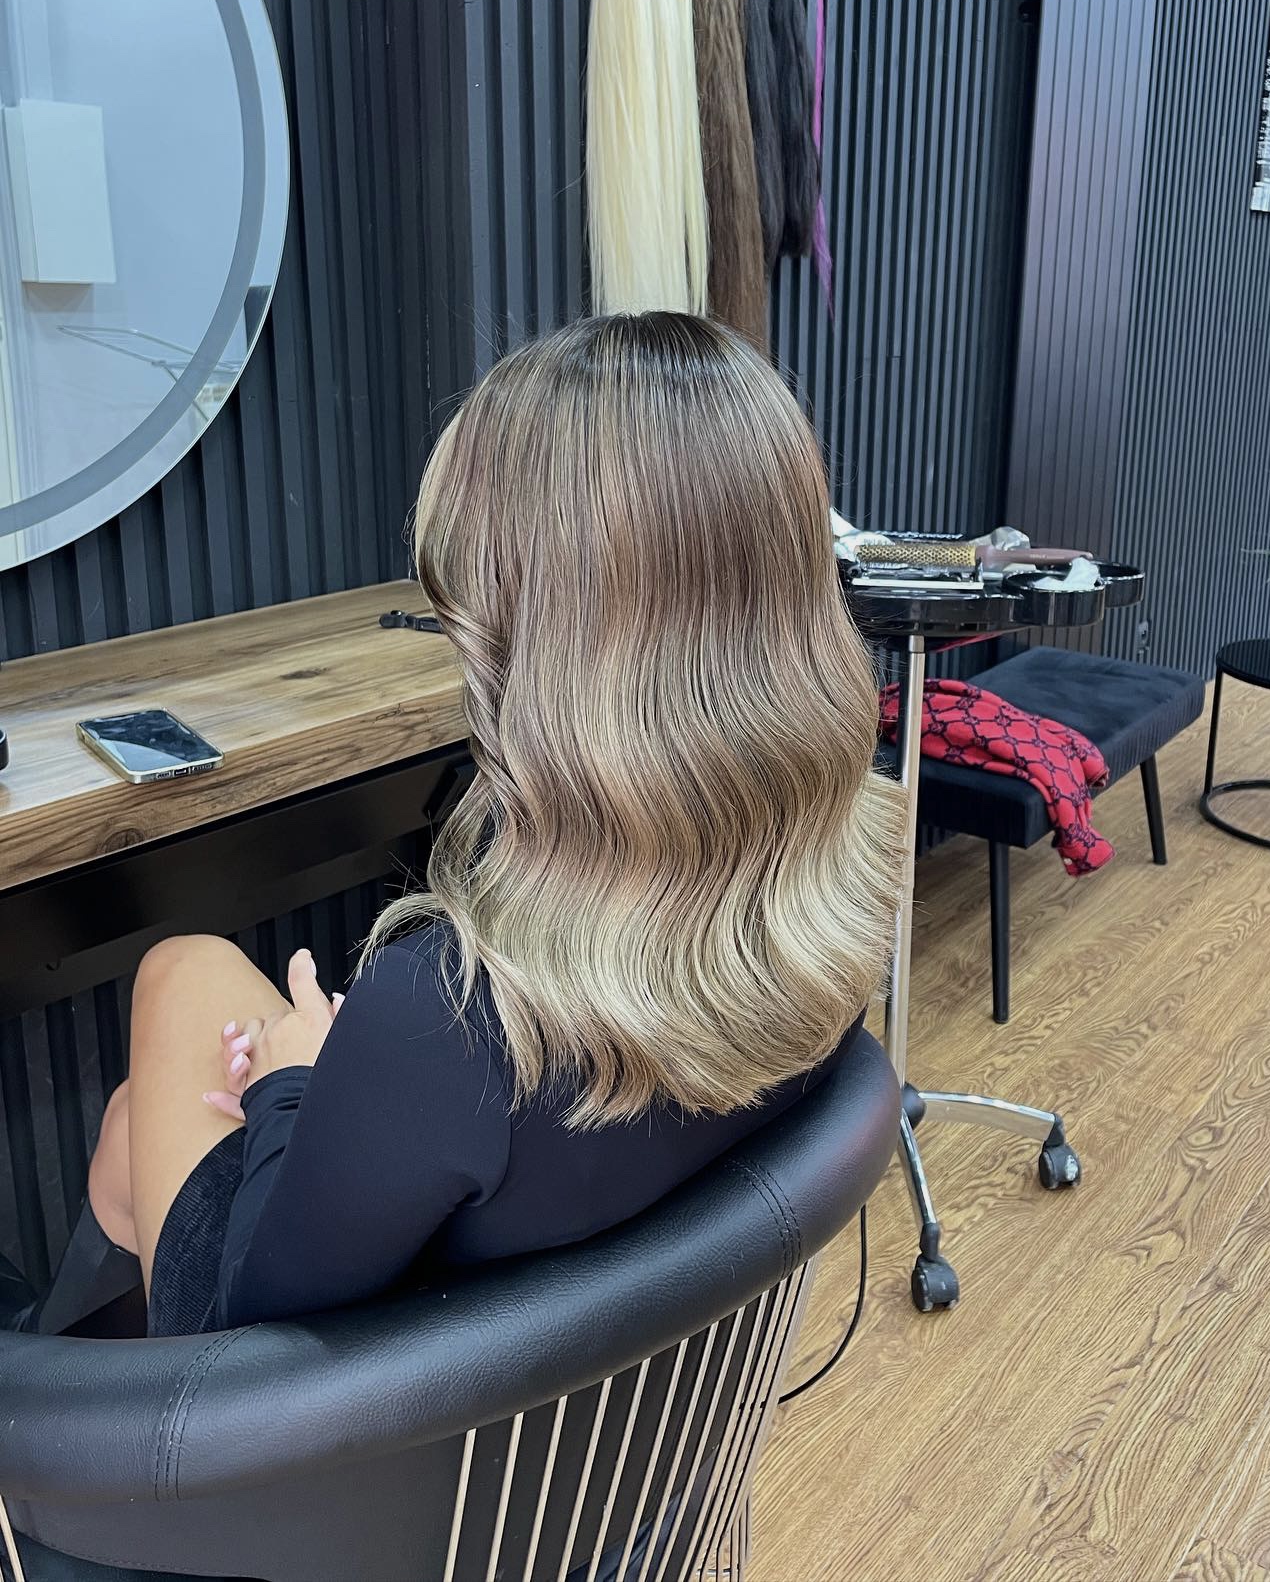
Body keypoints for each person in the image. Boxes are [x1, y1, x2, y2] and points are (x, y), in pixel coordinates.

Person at [84, 313, 905, 1336]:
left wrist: (294, 1084)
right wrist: (356, 1088)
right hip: (603, 1369)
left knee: (175, 977)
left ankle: (97, 1409)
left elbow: (257, 1327)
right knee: (132, 1122)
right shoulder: (838, 895)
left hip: (357, 1413)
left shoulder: (450, 1021)